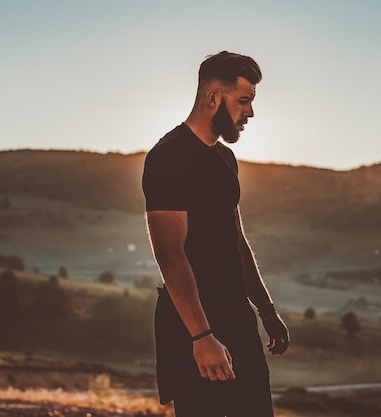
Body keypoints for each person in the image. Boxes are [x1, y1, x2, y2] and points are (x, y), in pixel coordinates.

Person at [142, 51, 290, 417]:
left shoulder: (225, 159)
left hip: (236, 316)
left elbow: (236, 240)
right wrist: (201, 337)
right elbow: (170, 254)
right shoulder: (168, 157)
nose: (250, 113)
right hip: (191, 325)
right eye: (244, 101)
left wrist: (266, 310)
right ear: (213, 97)